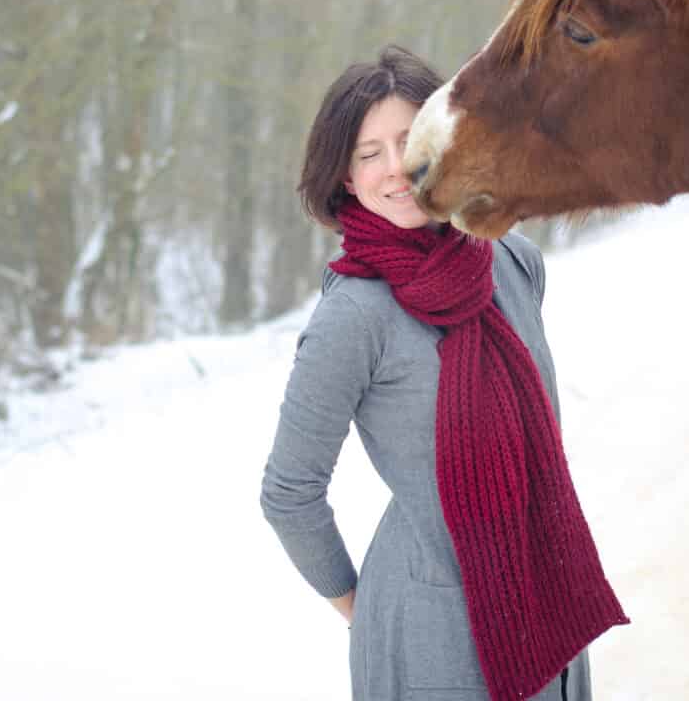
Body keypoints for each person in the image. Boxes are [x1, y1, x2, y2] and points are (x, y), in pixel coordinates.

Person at [261, 46, 627, 701]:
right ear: (344, 176)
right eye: (367, 153)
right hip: (434, 628)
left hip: (548, 595)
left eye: (407, 141)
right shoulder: (354, 314)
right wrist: (362, 602)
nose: (393, 170)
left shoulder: (511, 262)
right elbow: (290, 491)